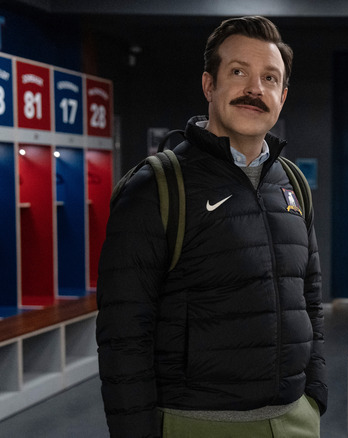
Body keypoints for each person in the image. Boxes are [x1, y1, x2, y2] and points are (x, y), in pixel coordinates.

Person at [96, 16, 326, 438]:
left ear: (283, 95)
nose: (255, 89)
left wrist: (315, 395)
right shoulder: (157, 186)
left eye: (270, 78)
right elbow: (123, 333)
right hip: (197, 423)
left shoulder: (292, 183)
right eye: (238, 72)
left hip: (295, 420)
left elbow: (309, 298)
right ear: (209, 85)